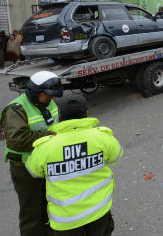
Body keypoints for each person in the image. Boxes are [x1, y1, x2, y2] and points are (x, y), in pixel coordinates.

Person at [26, 99, 123, 235]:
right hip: (98, 210)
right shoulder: (101, 137)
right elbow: (116, 156)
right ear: (86, 115)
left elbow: (34, 172)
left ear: (60, 118)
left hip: (65, 220)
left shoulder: (45, 147)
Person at [0, 70, 63, 236]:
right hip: (25, 167)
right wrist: (50, 136)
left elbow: (56, 122)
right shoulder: (16, 109)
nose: (51, 98)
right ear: (36, 92)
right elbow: (16, 139)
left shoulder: (48, 102)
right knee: (32, 212)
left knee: (49, 205)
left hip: (46, 163)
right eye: (47, 95)